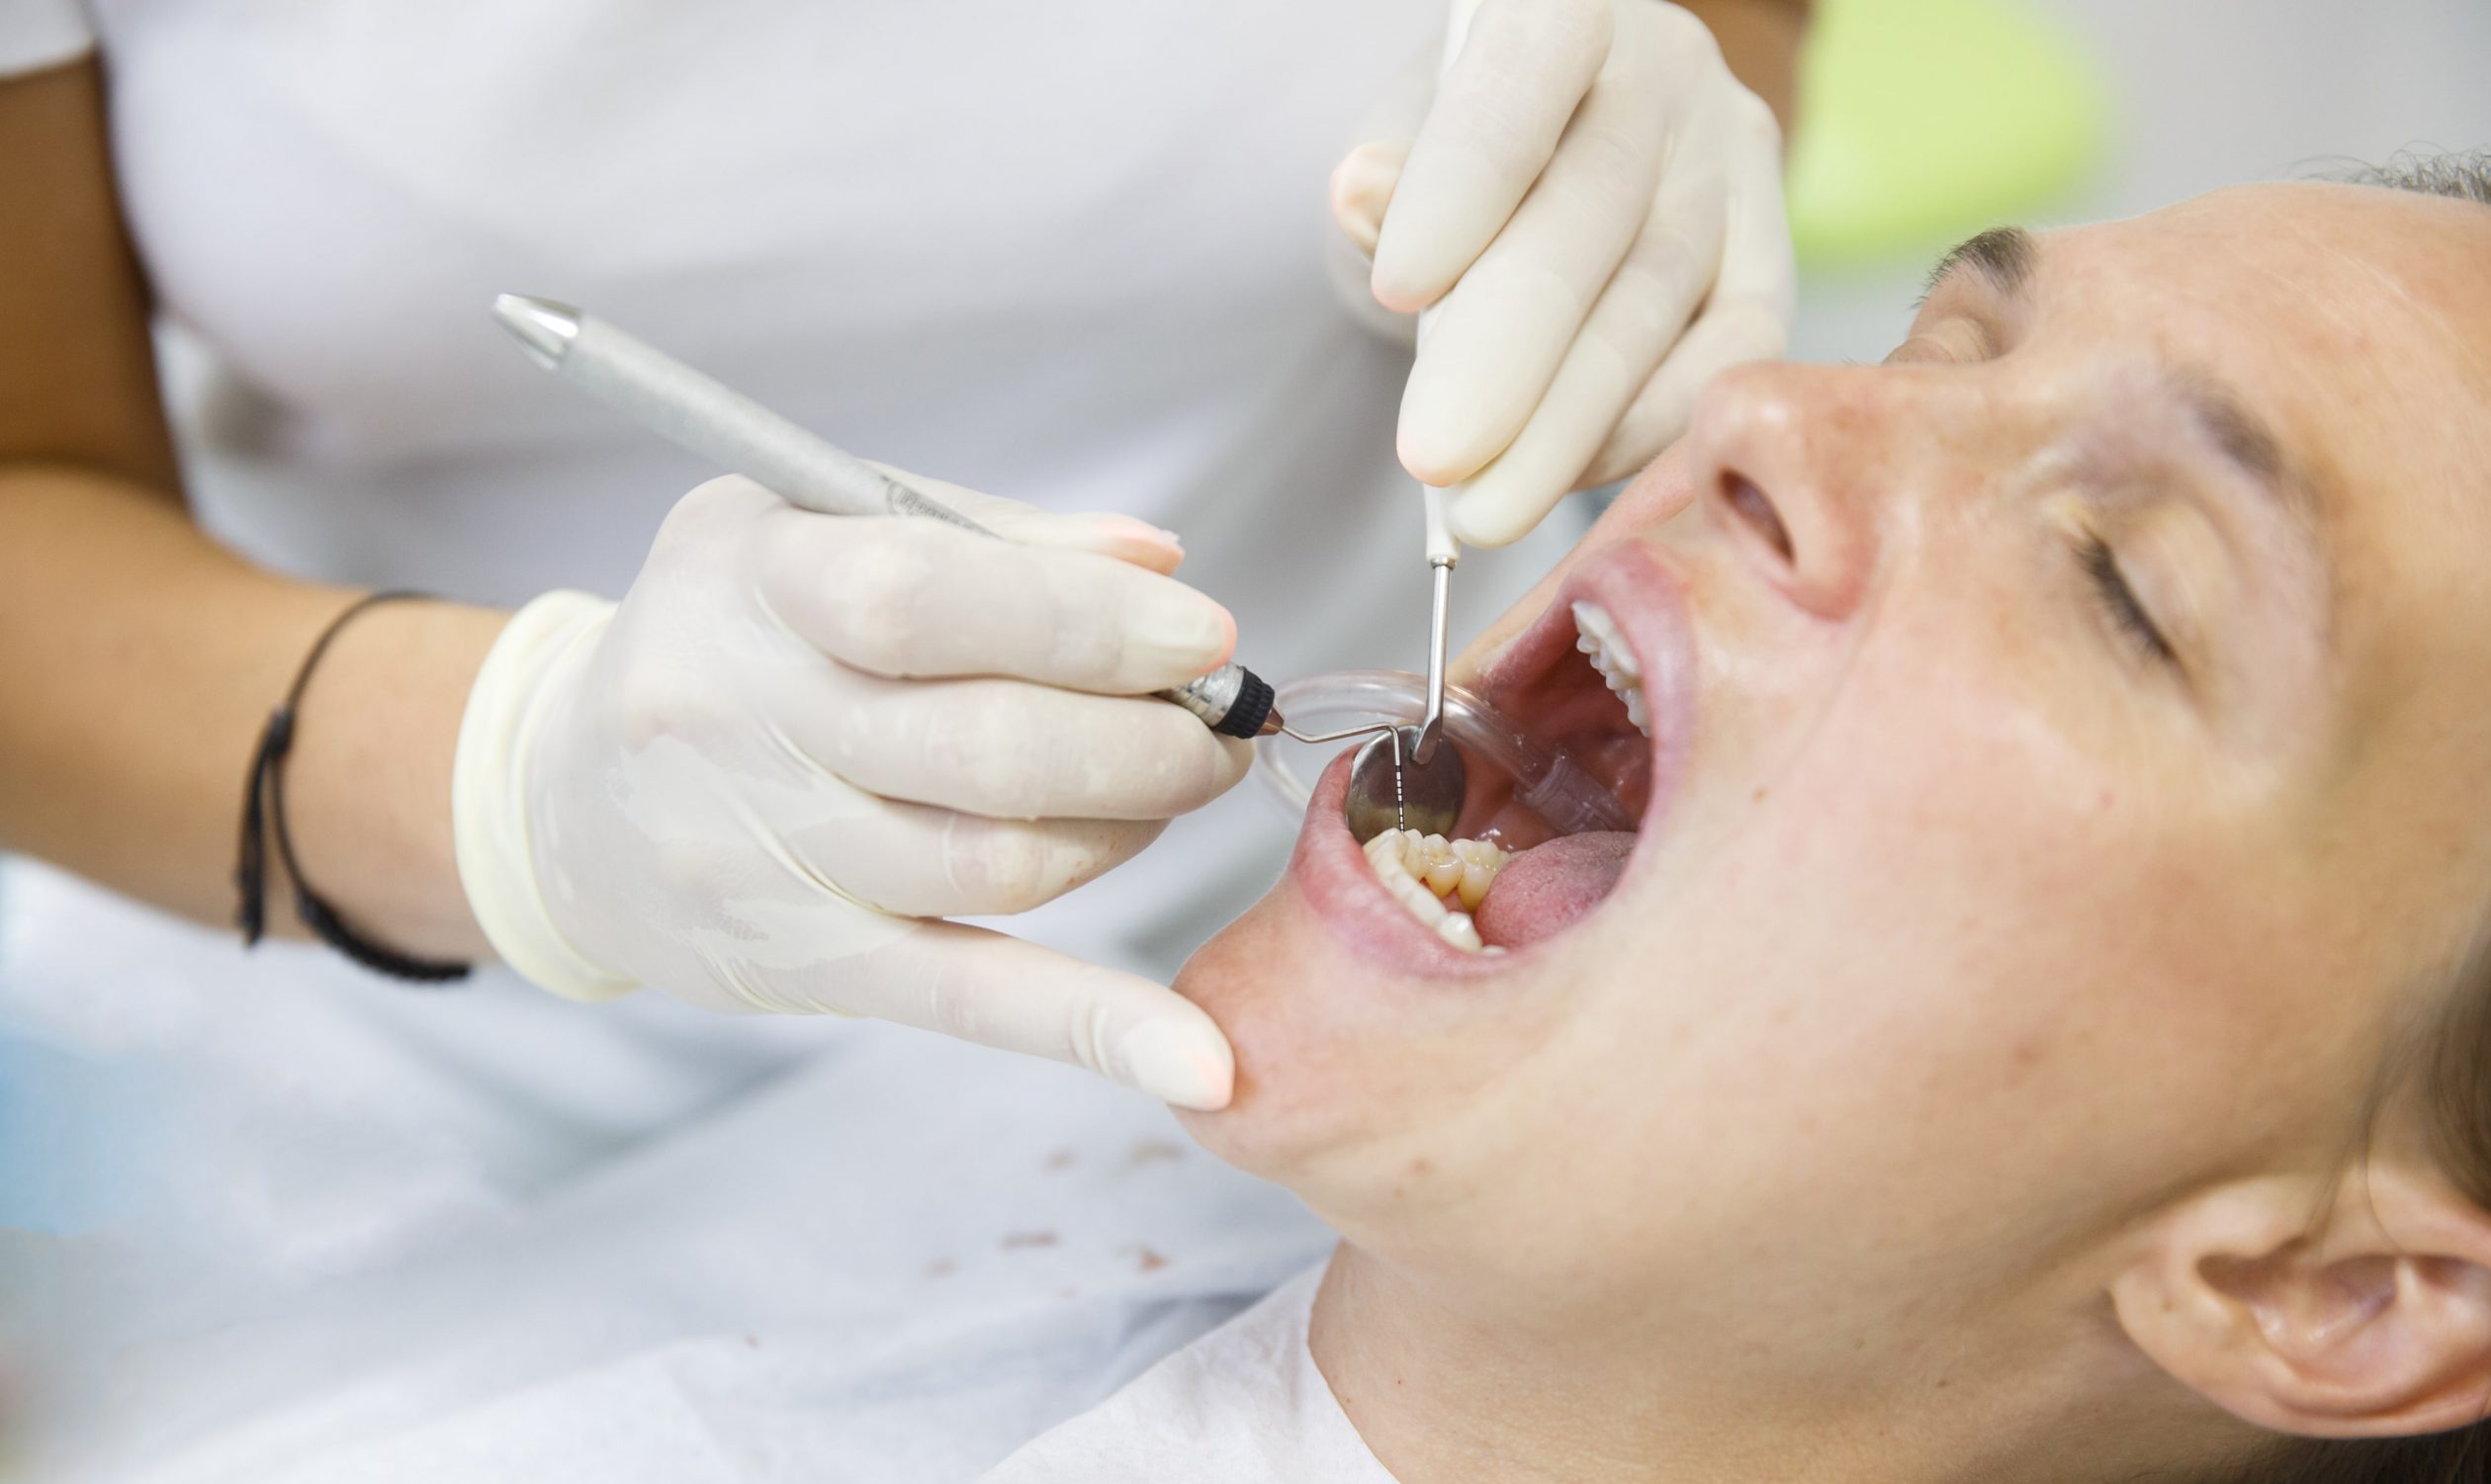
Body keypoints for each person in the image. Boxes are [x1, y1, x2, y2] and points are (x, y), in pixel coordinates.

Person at [7, 155, 2491, 1484]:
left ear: (2325, 1292)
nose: (1765, 410)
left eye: (2119, 581)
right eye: (1933, 335)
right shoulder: (1110, 1122)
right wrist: (484, 780)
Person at [0, 0, 1799, 1221]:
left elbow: (1734, 49)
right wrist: (514, 786)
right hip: (396, 1055)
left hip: (1388, 1039)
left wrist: (1622, 148)